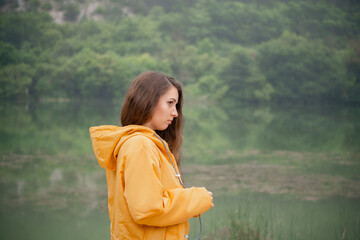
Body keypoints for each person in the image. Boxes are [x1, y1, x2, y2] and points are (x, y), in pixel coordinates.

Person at [89, 71, 214, 240]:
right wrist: (196, 199)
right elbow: (148, 210)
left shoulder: (144, 144)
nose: (175, 113)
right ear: (147, 101)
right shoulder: (140, 145)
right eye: (170, 103)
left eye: (176, 105)